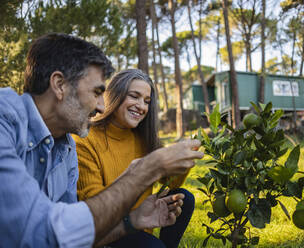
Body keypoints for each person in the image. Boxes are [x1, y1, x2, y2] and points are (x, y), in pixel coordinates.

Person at [0, 33, 204, 247]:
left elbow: (72, 235)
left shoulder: (65, 147)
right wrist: (144, 172)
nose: (100, 106)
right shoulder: (6, 121)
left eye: (146, 101)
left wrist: (132, 221)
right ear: (60, 85)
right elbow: (34, 232)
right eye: (97, 93)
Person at [73, 69, 194, 247]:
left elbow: (172, 184)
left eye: (147, 101)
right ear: (114, 96)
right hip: (107, 232)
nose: (141, 106)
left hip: (143, 223)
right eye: (134, 96)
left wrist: (184, 160)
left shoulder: (143, 139)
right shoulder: (85, 140)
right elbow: (94, 206)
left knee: (184, 198)